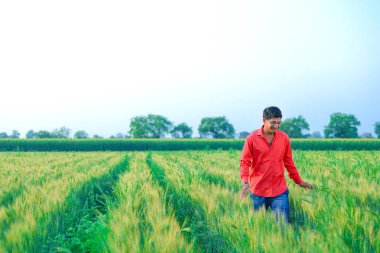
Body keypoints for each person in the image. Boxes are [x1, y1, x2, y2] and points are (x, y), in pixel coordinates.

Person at [240, 106, 313, 223]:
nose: (277, 126)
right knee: (258, 228)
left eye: (279, 123)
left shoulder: (284, 138)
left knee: (282, 227)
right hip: (258, 191)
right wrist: (245, 182)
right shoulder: (251, 139)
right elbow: (245, 162)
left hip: (279, 191)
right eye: (273, 123)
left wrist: (298, 181)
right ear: (264, 120)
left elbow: (289, 162)